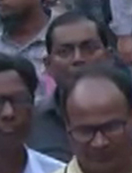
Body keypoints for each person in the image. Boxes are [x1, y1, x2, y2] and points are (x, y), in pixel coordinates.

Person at [27, 12, 115, 162]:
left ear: (109, 57)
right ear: (48, 65)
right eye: (64, 52)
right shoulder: (32, 122)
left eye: (90, 48)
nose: (78, 59)